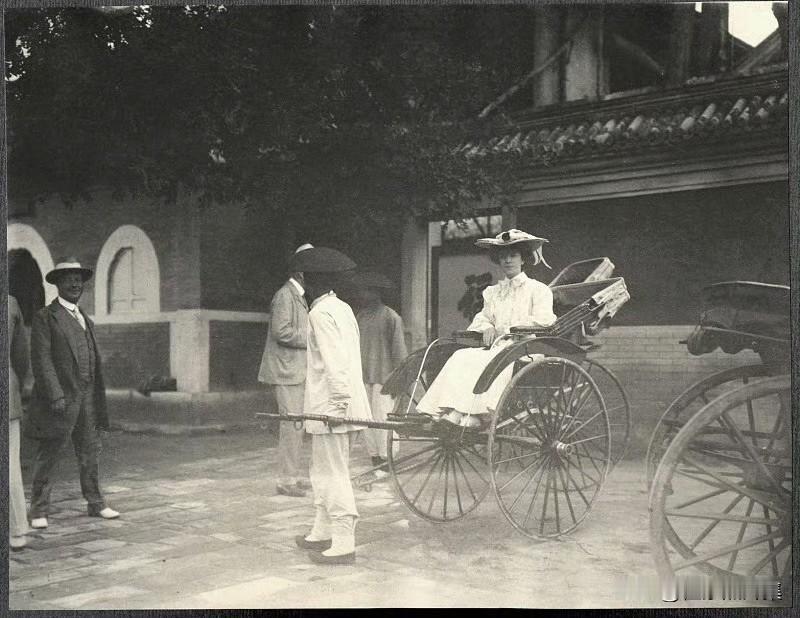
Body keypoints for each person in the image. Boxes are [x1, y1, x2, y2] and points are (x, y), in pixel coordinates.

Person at [416, 229, 557, 428]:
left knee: (493, 360)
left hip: (526, 348)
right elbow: (483, 317)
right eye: (503, 256)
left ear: (523, 259)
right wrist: (488, 327)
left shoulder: (539, 290)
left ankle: (480, 416)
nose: (508, 260)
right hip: (497, 346)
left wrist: (509, 329)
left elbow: (544, 320)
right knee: (462, 356)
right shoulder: (493, 292)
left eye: (513, 255)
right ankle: (452, 411)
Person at [291, 246, 371, 565]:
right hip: (343, 404)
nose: (303, 285)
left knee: (333, 473)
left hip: (334, 407)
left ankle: (343, 542)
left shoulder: (320, 313)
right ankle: (322, 531)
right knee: (323, 471)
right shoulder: (342, 308)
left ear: (312, 282)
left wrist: (337, 407)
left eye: (305, 279)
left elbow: (336, 362)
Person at [26, 259, 119, 529]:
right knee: (50, 452)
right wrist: (55, 395)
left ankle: (96, 503)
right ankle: (38, 510)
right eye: (69, 278)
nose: (75, 283)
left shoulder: (85, 318)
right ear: (57, 283)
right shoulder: (46, 317)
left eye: (79, 278)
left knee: (90, 451)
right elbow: (42, 360)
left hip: (87, 398)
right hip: (61, 399)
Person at [258, 243, 314, 498]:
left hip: (294, 371)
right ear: (301, 272)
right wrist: (312, 336)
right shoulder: (285, 295)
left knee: (296, 426)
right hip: (286, 372)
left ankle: (291, 474)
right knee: (291, 427)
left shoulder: (298, 297)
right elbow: (281, 332)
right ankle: (285, 480)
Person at [352, 271, 408, 469]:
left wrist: (398, 380)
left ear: (377, 292)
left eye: (367, 291)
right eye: (362, 291)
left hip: (384, 377)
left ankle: (387, 458)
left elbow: (399, 351)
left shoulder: (391, 317)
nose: (363, 295)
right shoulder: (360, 317)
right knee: (365, 419)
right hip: (363, 375)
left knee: (383, 417)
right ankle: (374, 456)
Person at [8, 295, 31, 551]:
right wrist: (17, 384)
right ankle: (16, 530)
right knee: (10, 464)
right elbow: (21, 356)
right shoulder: (10, 303)